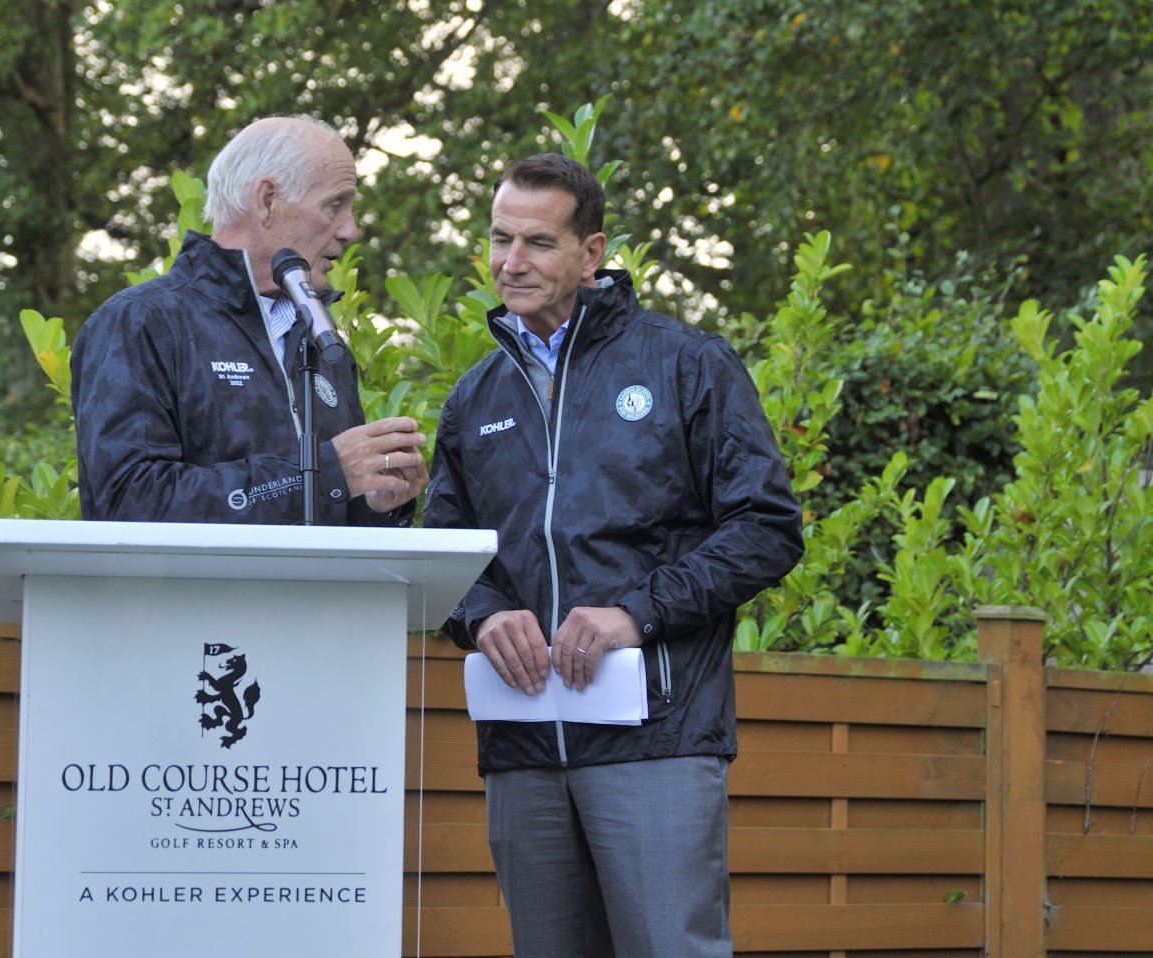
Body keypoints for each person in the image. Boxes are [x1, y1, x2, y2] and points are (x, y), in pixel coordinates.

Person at [422, 154, 804, 957]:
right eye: (499, 239)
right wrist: (483, 615)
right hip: (524, 745)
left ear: (592, 252)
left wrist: (638, 611)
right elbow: (447, 557)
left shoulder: (686, 365)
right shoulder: (474, 397)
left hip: (655, 738)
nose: (511, 262)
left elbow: (766, 527)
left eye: (537, 242)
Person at [71, 114, 427, 524]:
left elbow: (336, 525)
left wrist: (377, 500)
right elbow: (129, 502)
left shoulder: (322, 341)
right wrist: (324, 472)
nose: (351, 230)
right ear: (267, 200)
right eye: (335, 205)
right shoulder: (142, 322)